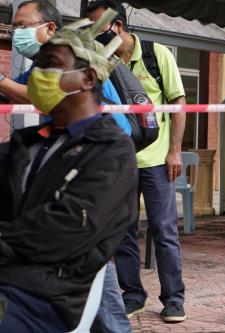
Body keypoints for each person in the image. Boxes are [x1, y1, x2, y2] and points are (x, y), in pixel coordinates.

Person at [0, 8, 138, 333]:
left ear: (88, 78)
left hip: (41, 297)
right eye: (38, 67)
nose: (38, 76)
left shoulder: (111, 152)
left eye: (51, 67)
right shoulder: (31, 144)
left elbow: (65, 229)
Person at [86, 0, 187, 323]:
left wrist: (175, 150)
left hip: (157, 161)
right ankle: (132, 294)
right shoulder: (100, 62)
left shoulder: (158, 56)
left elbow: (178, 103)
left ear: (117, 27)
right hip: (118, 164)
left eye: (97, 28)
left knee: (163, 229)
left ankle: (174, 298)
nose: (93, 35)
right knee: (124, 232)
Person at [0, 0, 130, 135]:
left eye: (22, 26)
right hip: (74, 137)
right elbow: (10, 93)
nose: (16, 33)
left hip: (104, 140)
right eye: (14, 28)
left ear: (50, 28)